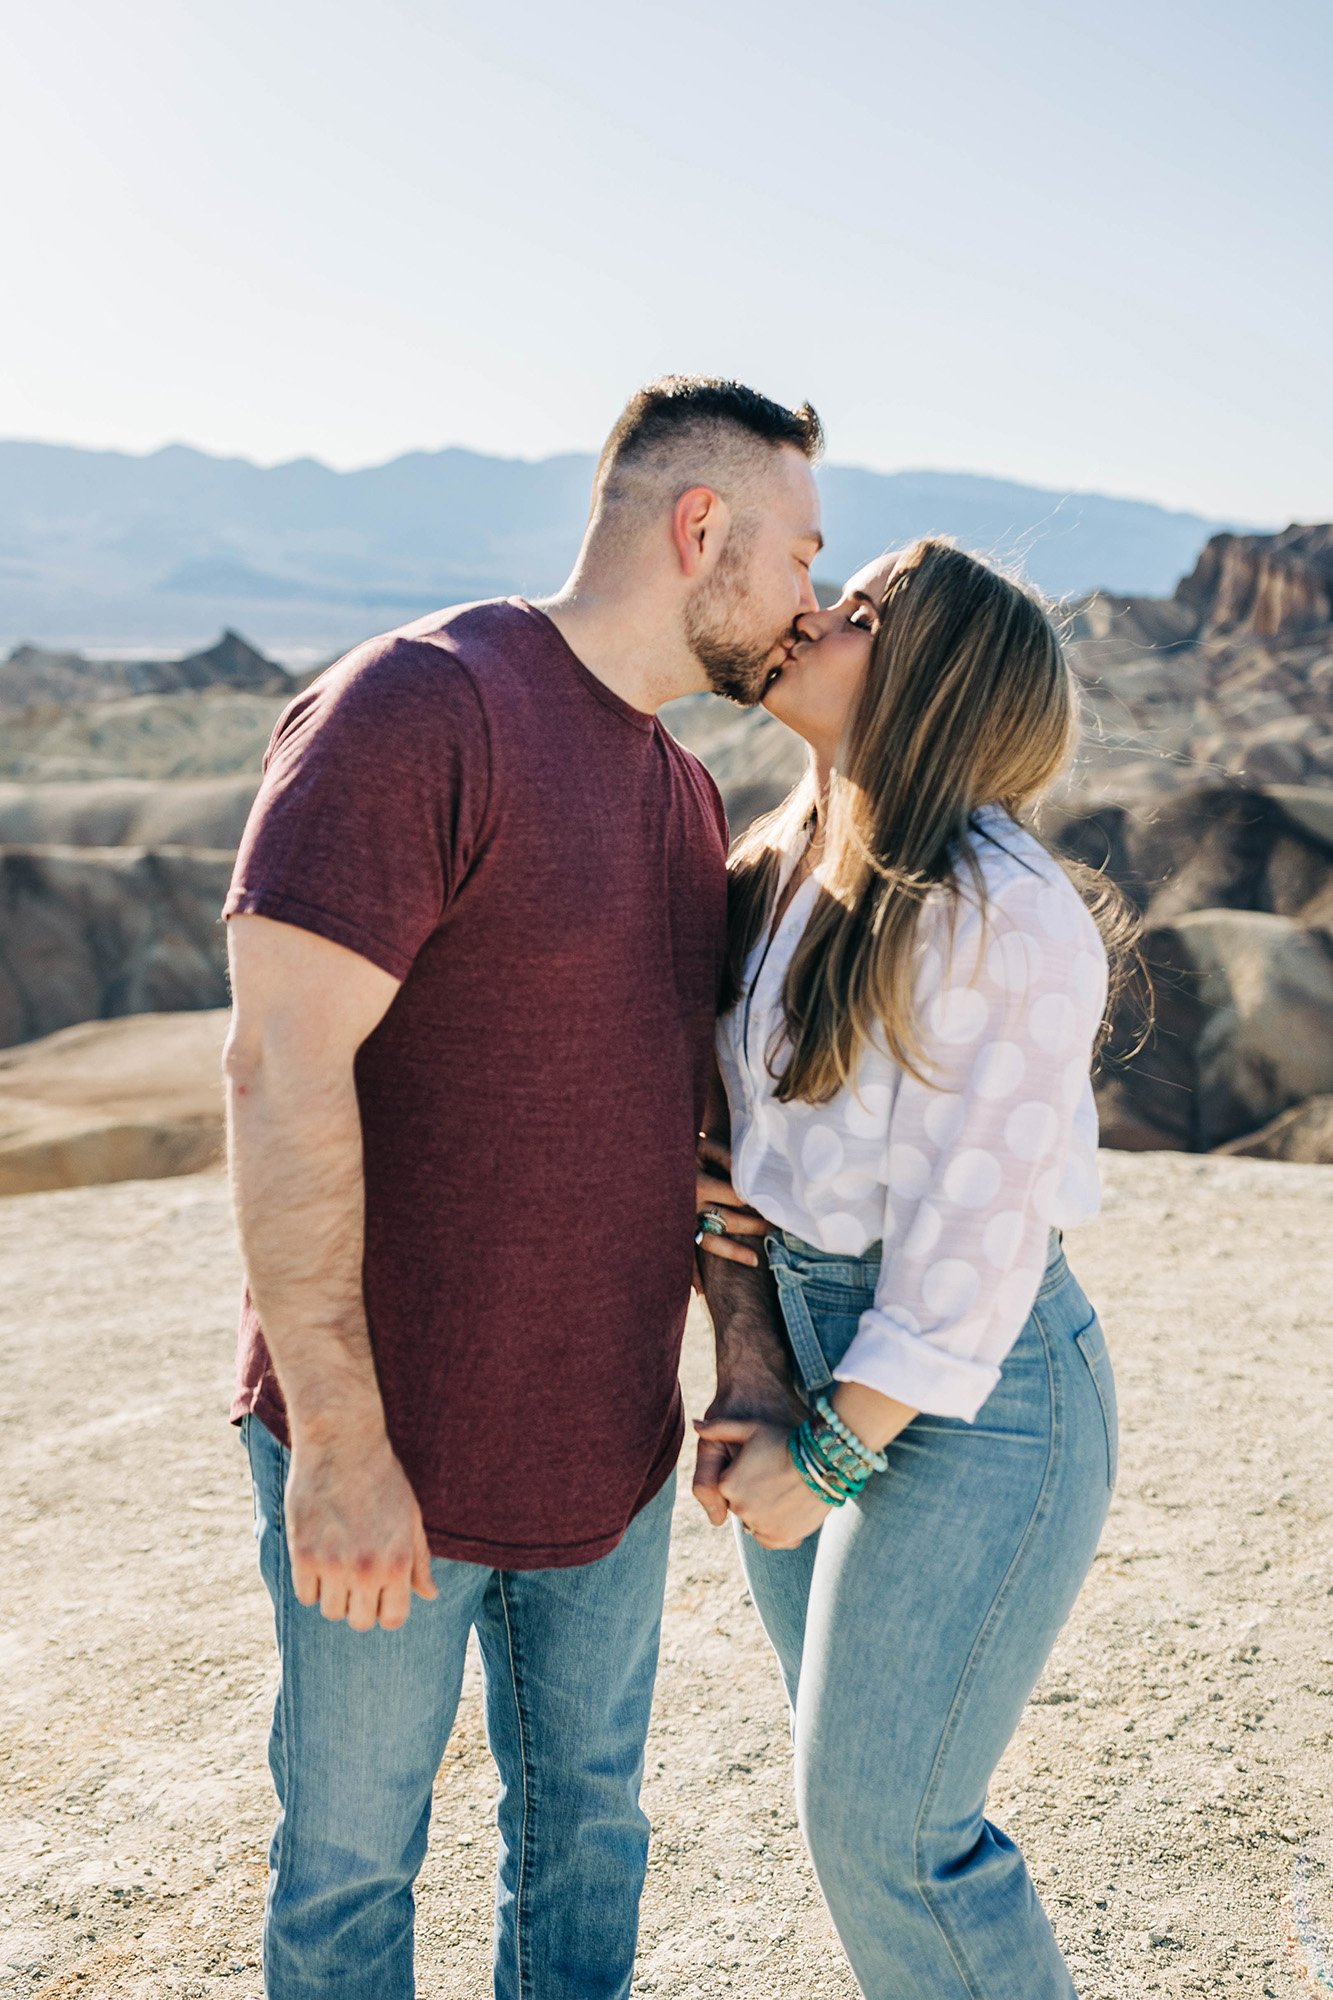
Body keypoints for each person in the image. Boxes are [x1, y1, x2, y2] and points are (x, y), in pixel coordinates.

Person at [221, 374, 824, 2000]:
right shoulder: (420, 708)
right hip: (390, 1466)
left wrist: (747, 1362)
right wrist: (341, 1447)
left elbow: (689, 1129)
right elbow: (281, 1071)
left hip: (605, 1469)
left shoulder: (684, 795)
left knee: (591, 1840)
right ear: (700, 530)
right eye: (795, 557)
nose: (806, 605)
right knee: (352, 1871)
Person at [691, 537, 1131, 1999]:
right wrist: (752, 1361)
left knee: (887, 1831)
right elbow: (734, 1179)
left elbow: (969, 1260)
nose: (816, 614)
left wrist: (819, 1456)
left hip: (974, 1399)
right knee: (850, 1820)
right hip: (822, 1362)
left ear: (935, 680)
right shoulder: (783, 864)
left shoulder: (1003, 916)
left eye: (865, 614)